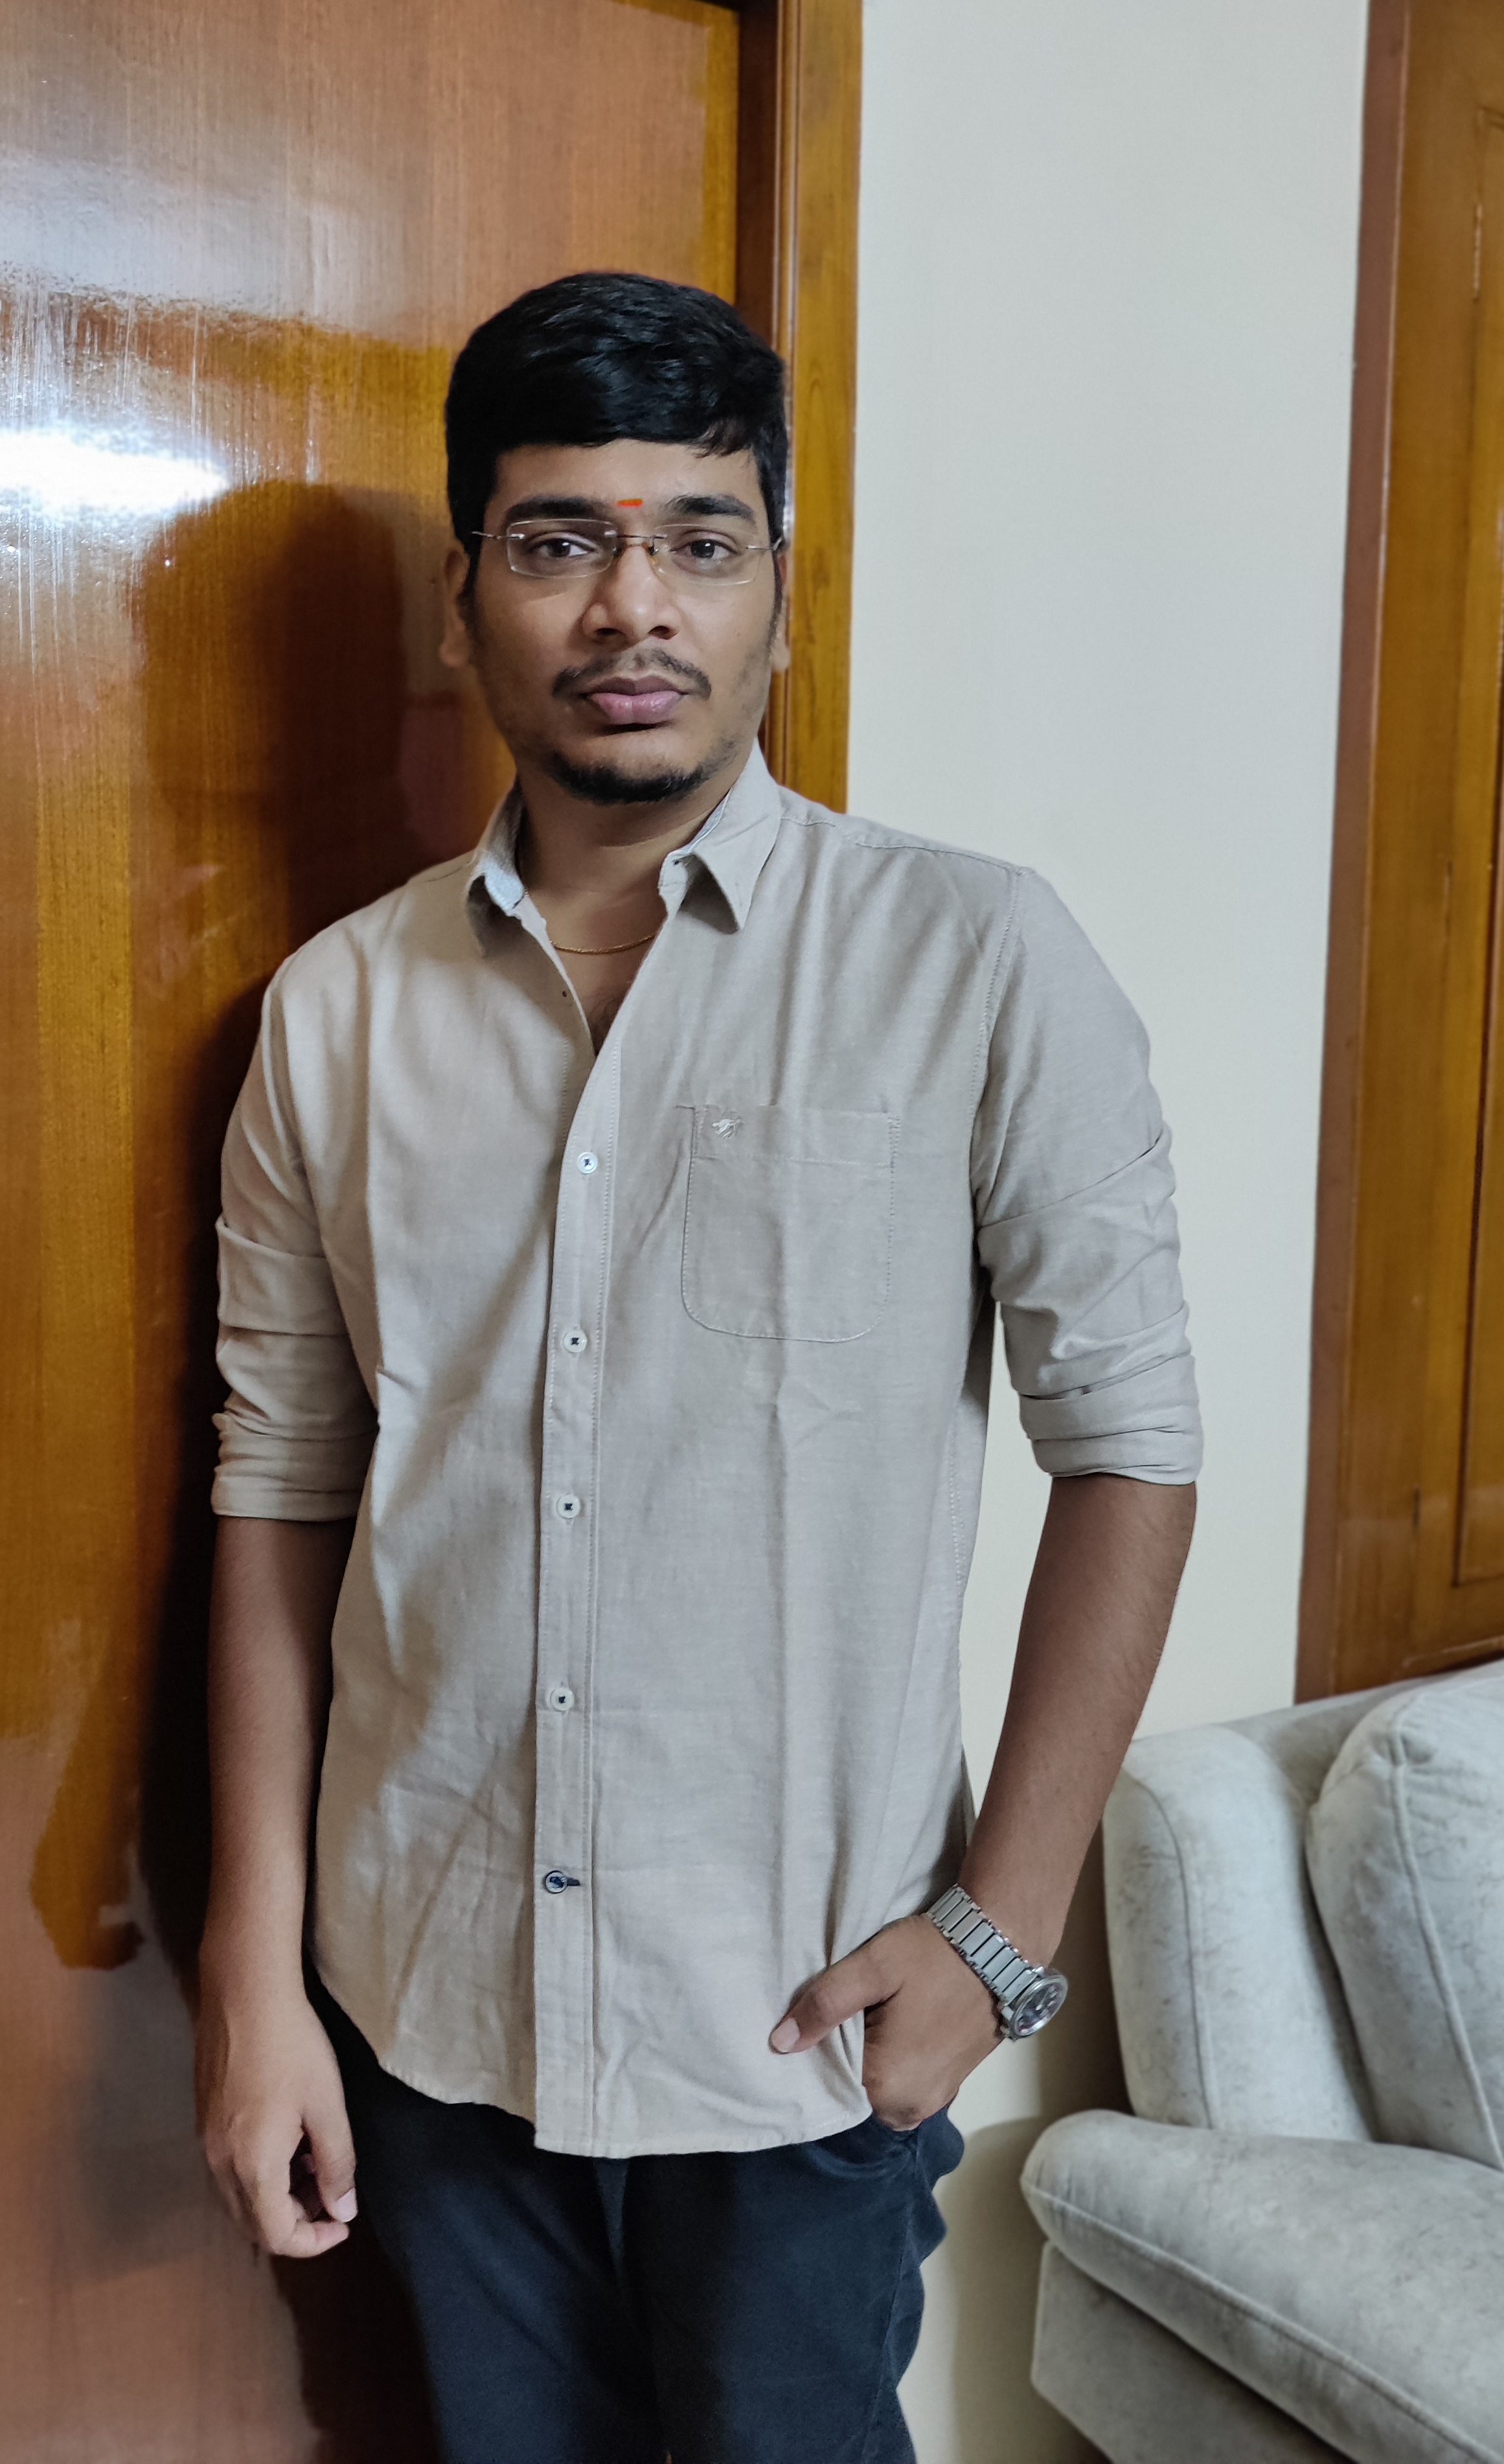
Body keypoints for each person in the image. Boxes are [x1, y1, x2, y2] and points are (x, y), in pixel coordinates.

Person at [196, 271, 1200, 2464]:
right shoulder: (333, 1016)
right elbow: (282, 1493)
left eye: (699, 539)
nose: (632, 604)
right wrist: (255, 1980)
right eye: (560, 539)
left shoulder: (974, 960)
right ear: (465, 595)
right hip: (429, 2012)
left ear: (775, 589)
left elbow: (1130, 1446)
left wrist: (1000, 1935)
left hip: (799, 2032)